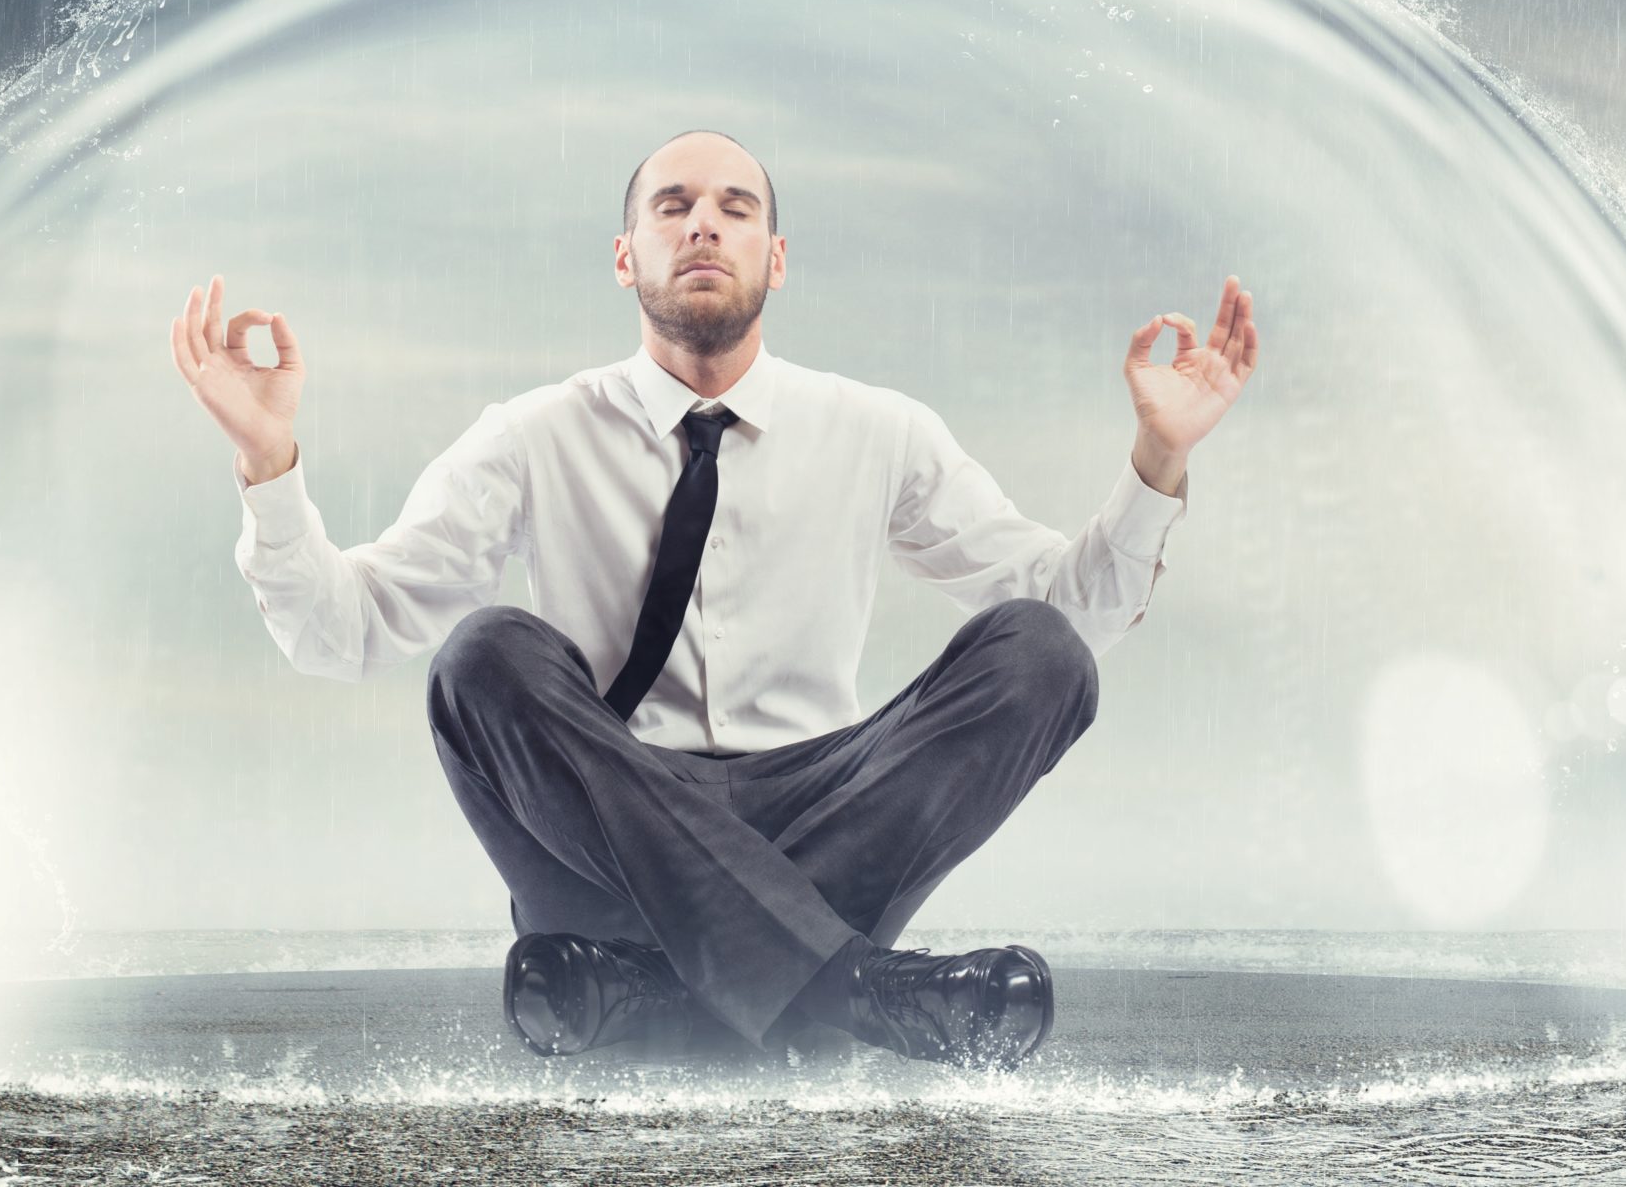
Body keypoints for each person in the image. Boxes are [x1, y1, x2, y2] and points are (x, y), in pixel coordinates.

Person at [168, 128, 1258, 1070]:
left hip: (824, 820)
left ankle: (644, 990)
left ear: (775, 259)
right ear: (623, 253)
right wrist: (270, 461)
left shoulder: (880, 431)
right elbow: (343, 630)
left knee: (1040, 651)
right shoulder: (529, 435)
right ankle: (857, 994)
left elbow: (1078, 612)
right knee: (483, 654)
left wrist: (1157, 456)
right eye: (672, 206)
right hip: (610, 823)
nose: (703, 226)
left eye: (736, 210)